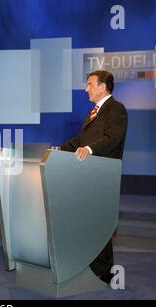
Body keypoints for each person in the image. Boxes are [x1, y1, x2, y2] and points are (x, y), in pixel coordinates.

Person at [60, 69, 128, 283]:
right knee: (91, 221)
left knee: (99, 222)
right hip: (88, 175)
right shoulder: (94, 111)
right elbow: (80, 140)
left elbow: (112, 138)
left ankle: (102, 271)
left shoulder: (116, 109)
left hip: (102, 175)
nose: (86, 88)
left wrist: (89, 149)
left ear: (102, 86)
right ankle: (95, 267)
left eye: (90, 84)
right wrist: (58, 150)